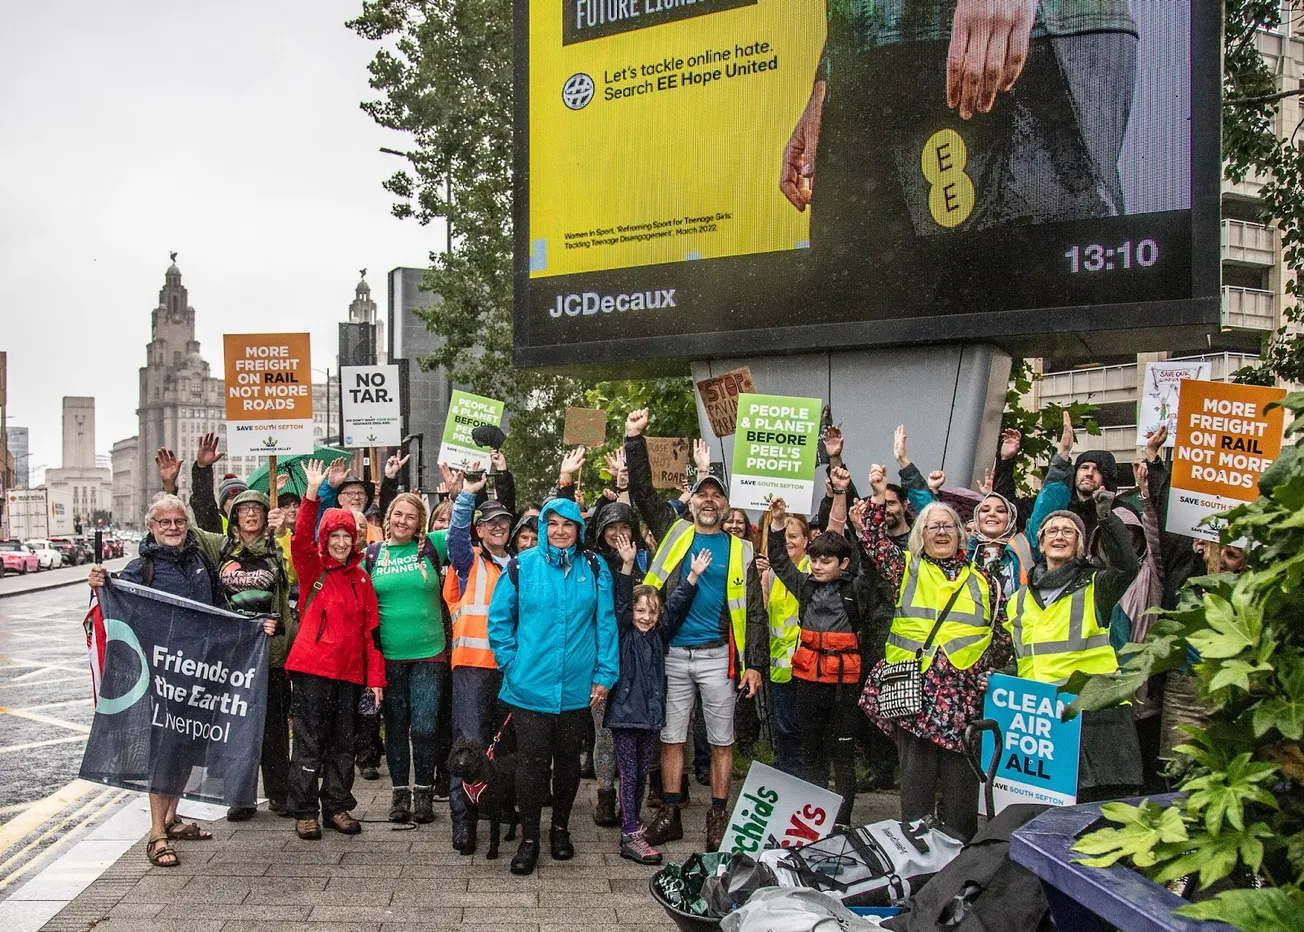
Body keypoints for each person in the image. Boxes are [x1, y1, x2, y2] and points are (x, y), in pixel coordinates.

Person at [87, 488, 276, 867]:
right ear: (151, 527)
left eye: (178, 521)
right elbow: (119, 603)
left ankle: (172, 819)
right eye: (165, 522)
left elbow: (220, 609)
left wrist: (254, 626)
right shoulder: (143, 568)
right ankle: (156, 833)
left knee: (187, 746)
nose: (173, 528)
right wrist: (99, 582)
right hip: (163, 677)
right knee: (165, 751)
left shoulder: (200, 562)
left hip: (200, 673)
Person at [625, 409, 767, 852]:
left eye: (715, 496)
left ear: (725, 506)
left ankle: (718, 817)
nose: (708, 500)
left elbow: (757, 614)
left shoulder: (741, 549)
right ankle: (670, 813)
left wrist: (755, 665)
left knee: (722, 741)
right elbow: (644, 492)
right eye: (702, 494)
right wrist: (634, 438)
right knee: (672, 737)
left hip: (717, 657)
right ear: (692, 502)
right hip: (672, 655)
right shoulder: (675, 532)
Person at [856, 463, 1007, 841]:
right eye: (932, 527)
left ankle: (957, 882)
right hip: (916, 697)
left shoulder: (985, 580)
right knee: (917, 803)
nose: (941, 532)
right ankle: (917, 878)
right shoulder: (905, 568)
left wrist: (992, 674)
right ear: (920, 536)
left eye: (948, 526)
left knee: (960, 806)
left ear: (961, 535)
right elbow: (872, 538)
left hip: (964, 701)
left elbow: (1001, 635)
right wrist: (877, 494)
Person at [161, 441, 295, 823]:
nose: (250, 515)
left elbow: (299, 556)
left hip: (270, 653)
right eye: (244, 510)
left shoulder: (275, 547)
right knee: (237, 728)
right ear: (233, 518)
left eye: (257, 509)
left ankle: (281, 794)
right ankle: (241, 796)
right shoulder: (219, 547)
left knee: (272, 727)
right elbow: (189, 521)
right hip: (233, 656)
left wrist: (281, 531)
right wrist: (187, 479)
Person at [487, 498, 619, 875]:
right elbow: (499, 621)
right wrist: (511, 665)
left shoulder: (594, 567)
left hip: (578, 690)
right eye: (553, 524)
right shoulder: (520, 567)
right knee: (531, 767)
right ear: (543, 527)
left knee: (567, 766)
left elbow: (605, 624)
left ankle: (559, 830)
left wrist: (605, 675)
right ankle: (530, 839)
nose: (560, 531)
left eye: (569, 525)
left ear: (579, 530)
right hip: (529, 688)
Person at [1004, 489, 1142, 801]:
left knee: (1097, 822)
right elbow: (1021, 658)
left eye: (1069, 531)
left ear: (1079, 545)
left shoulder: (1097, 587)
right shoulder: (1018, 601)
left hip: (1096, 720)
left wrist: (1107, 519)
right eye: (1052, 530)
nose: (1060, 536)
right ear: (1040, 544)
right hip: (1043, 721)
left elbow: (1127, 568)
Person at [284, 459, 385, 840]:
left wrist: (375, 680)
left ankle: (338, 806)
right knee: (310, 743)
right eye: (335, 536)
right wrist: (312, 494)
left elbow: (370, 634)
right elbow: (298, 539)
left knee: (344, 745)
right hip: (313, 671)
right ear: (325, 540)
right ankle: (305, 810)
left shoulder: (361, 577)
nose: (342, 542)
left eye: (347, 536)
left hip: (349, 675)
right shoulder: (313, 570)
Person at [768, 480, 863, 829]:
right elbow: (779, 560)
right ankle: (813, 817)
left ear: (843, 562)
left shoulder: (856, 591)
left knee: (842, 754)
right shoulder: (804, 586)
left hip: (843, 687)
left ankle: (842, 821)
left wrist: (859, 523)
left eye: (827, 561)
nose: (819, 566)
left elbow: (870, 562)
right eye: (815, 560)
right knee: (812, 752)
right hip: (808, 683)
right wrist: (777, 523)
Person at [606, 530, 700, 864]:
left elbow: (676, 607)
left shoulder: (659, 636)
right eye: (641, 610)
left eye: (652, 611)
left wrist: (690, 577)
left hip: (649, 716)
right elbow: (619, 599)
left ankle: (632, 822)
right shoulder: (623, 632)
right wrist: (627, 566)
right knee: (629, 774)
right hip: (624, 715)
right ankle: (630, 833)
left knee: (643, 773)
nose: (646, 617)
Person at [442, 464, 515, 855]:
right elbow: (455, 535)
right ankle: (463, 822)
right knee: (467, 748)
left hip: (509, 669)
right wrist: (468, 494)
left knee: (500, 751)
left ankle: (496, 813)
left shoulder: (520, 565)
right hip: (472, 667)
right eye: (490, 523)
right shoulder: (468, 560)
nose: (498, 527)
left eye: (503, 521)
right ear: (481, 529)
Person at [364, 491, 447, 824]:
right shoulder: (371, 555)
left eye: (411, 517)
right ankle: (400, 794)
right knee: (396, 728)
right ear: (388, 517)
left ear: (420, 523)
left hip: (430, 654)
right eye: (398, 514)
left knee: (425, 728)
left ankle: (424, 793)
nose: (403, 521)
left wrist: (465, 491)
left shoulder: (431, 547)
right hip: (389, 658)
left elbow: (460, 529)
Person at [588, 499, 649, 828]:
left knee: (632, 733)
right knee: (604, 733)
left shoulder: (644, 561)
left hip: (637, 662)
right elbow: (613, 614)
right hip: (602, 659)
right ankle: (604, 797)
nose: (618, 534)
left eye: (625, 527)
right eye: (611, 527)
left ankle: (631, 797)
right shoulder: (592, 564)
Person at [1027, 413, 1130, 557]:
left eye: (1097, 470)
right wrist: (1063, 453)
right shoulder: (1063, 508)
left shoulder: (1121, 513)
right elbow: (1037, 537)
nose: (1089, 473)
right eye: (1084, 467)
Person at [761, 508, 813, 777]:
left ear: (806, 541)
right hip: (780, 666)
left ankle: (804, 778)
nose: (790, 541)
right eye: (786, 536)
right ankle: (785, 775)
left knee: (805, 729)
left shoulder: (814, 570)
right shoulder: (769, 575)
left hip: (809, 666)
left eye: (795, 536)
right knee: (784, 729)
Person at [967, 491, 1033, 599]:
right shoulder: (963, 551)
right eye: (985, 510)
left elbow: (1043, 510)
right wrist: (933, 491)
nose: (992, 514)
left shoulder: (1024, 545)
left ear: (1010, 519)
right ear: (977, 518)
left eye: (1000, 511)